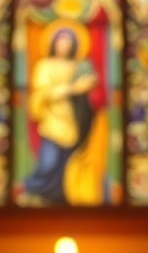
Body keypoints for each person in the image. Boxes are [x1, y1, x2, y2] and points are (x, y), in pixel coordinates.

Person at [20, 28, 97, 204]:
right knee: (49, 163)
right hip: (53, 121)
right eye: (60, 40)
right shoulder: (45, 66)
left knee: (65, 166)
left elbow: (91, 94)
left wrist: (89, 87)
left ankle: (57, 199)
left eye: (68, 41)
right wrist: (73, 88)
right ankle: (31, 190)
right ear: (53, 43)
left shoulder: (78, 66)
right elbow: (43, 93)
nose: (64, 45)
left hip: (74, 122)